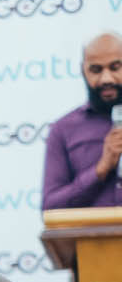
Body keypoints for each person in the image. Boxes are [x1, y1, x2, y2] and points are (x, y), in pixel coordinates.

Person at [41, 30, 122, 211]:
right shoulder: (63, 130)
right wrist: (100, 169)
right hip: (92, 239)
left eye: (115, 67)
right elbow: (50, 208)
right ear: (83, 71)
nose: (106, 78)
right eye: (96, 70)